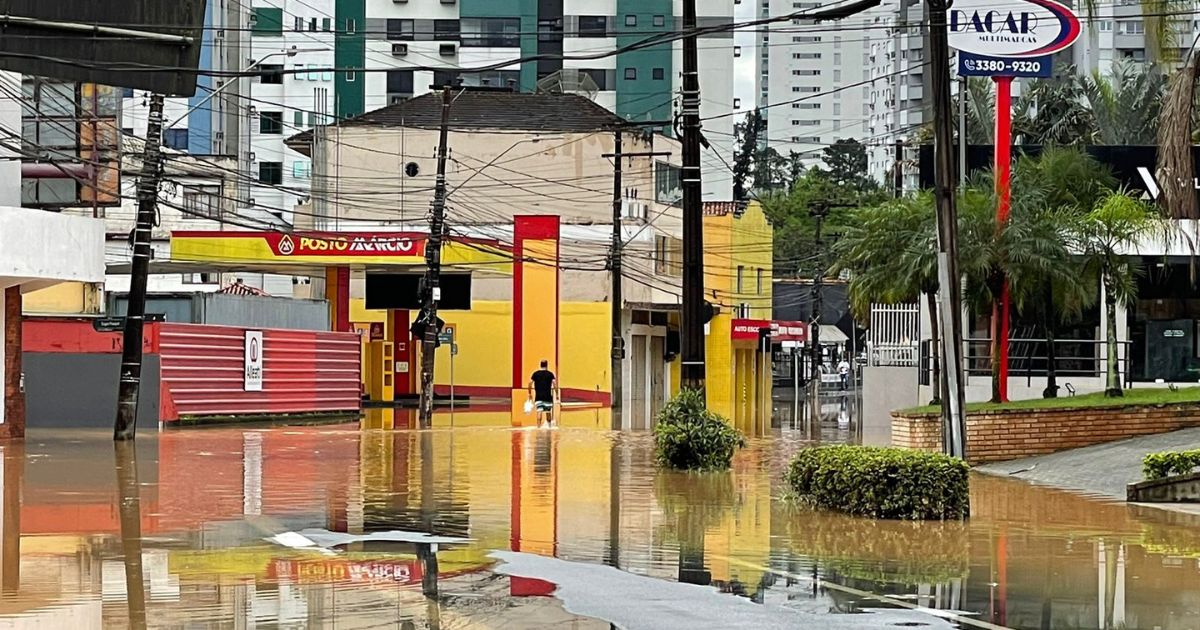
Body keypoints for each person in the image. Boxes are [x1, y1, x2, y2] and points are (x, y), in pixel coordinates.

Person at [528, 360, 558, 427]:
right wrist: (557, 394)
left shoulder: (535, 374)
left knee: (539, 411)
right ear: (547, 365)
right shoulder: (550, 374)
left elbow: (530, 383)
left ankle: (538, 426)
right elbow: (554, 384)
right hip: (548, 396)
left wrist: (529, 393)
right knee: (548, 412)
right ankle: (549, 426)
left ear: (540, 365)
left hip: (538, 396)